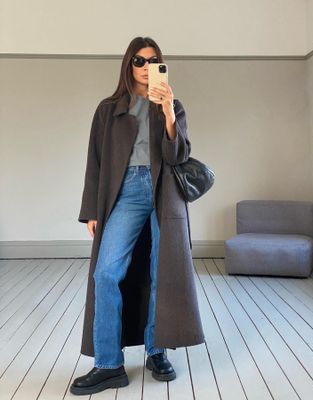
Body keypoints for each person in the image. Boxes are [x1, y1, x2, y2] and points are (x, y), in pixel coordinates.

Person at [70, 36, 204, 396]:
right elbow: (95, 163)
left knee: (162, 271)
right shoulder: (109, 109)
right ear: (129, 65)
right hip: (125, 192)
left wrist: (169, 113)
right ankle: (109, 364)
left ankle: (156, 351)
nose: (146, 68)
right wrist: (90, 212)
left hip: (164, 192)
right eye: (139, 61)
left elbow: (177, 156)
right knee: (106, 272)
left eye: (153, 61)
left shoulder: (172, 104)